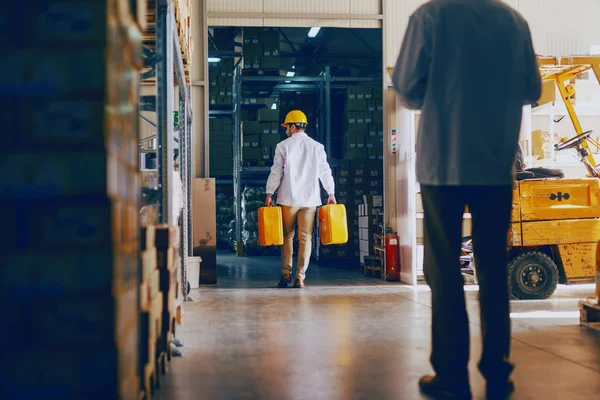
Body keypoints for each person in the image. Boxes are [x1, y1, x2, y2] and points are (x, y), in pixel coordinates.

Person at [391, 1, 541, 399]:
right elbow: (532, 89)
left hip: (444, 161)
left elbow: (405, 87)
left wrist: (441, 91)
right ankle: (497, 372)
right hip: (496, 162)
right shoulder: (514, 21)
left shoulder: (430, 17)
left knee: (444, 270)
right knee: (493, 267)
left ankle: (451, 376)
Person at [265, 110, 336, 289]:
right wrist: (331, 193)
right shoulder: (317, 147)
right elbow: (325, 171)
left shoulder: (283, 146)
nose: (285, 130)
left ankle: (286, 273)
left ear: (293, 126)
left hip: (288, 198)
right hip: (310, 199)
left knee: (288, 236)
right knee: (306, 238)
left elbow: (276, 172)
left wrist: (269, 193)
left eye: (287, 127)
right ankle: (300, 277)